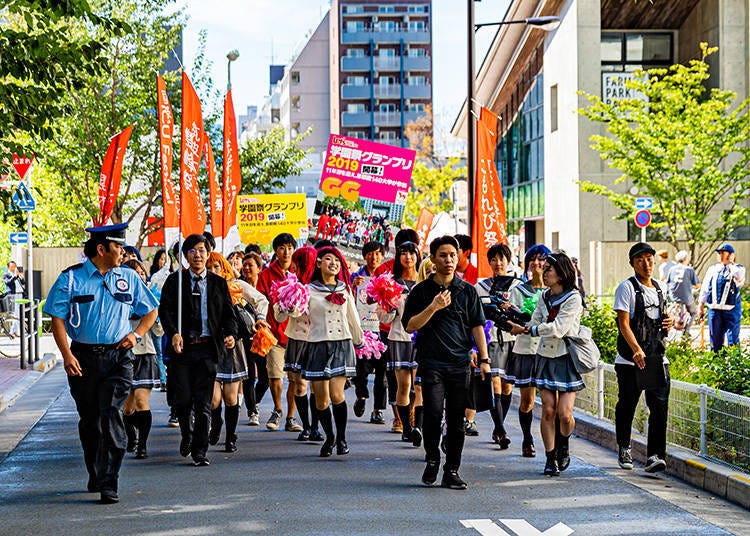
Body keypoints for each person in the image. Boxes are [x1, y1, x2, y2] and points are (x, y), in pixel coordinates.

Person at [43, 223, 159, 503]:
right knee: (90, 420)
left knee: (111, 415)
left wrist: (136, 334)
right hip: (82, 359)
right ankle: (96, 472)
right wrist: (67, 356)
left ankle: (110, 482)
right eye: (118, 246)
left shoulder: (129, 278)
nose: (123, 251)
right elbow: (56, 319)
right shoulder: (70, 279)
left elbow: (151, 310)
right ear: (100, 249)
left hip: (118, 358)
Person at [402, 235, 489, 490]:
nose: (449, 260)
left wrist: (483, 359)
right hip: (431, 364)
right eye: (443, 255)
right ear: (432, 258)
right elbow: (409, 326)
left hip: (460, 364)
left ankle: (452, 469)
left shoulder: (467, 291)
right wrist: (433, 307)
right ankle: (432, 459)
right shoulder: (421, 292)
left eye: (453, 255)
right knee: (431, 414)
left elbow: (477, 327)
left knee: (456, 419)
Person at [159, 234, 238, 467]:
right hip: (182, 350)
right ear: (185, 256)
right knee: (183, 399)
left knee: (204, 403)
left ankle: (200, 450)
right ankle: (187, 434)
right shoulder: (175, 282)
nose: (198, 255)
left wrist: (230, 334)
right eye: (192, 251)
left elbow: (228, 316)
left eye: (202, 250)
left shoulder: (217, 283)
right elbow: (165, 312)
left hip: (207, 349)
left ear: (208, 253)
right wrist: (173, 332)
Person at [509, 252, 584, 476]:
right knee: (549, 410)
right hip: (545, 356)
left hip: (567, 358)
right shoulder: (544, 296)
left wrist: (527, 329)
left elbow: (558, 329)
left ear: (561, 274)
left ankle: (564, 444)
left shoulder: (573, 298)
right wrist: (519, 321)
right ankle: (550, 459)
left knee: (565, 414)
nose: (544, 272)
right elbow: (536, 321)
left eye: (549, 269)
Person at [613, 242, 673, 473]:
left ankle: (655, 455)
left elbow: (662, 320)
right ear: (632, 264)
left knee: (659, 406)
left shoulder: (660, 288)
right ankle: (624, 447)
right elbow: (623, 323)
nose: (646, 264)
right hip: (630, 359)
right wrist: (636, 349)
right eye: (640, 260)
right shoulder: (626, 288)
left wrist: (667, 322)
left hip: (656, 358)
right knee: (627, 405)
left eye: (649, 259)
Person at [300, 246, 364, 457]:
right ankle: (330, 436)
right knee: (321, 400)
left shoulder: (344, 289)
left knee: (337, 395)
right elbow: (295, 313)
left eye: (337, 260)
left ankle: (342, 438)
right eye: (328, 259)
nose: (333, 263)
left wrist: (359, 341)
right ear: (319, 263)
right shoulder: (308, 290)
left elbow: (352, 317)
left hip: (341, 344)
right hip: (317, 345)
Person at [205, 252, 255, 453]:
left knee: (231, 398)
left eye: (217, 267)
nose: (213, 271)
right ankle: (216, 424)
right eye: (209, 268)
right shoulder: (200, 287)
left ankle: (231, 436)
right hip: (210, 347)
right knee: (214, 399)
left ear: (224, 268)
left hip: (232, 347)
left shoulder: (236, 286)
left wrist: (259, 318)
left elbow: (260, 300)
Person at [475, 243, 523, 449]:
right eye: (493, 259)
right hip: (491, 340)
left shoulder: (518, 286)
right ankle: (500, 429)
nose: (498, 263)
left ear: (508, 260)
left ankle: (498, 426)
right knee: (495, 383)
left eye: (502, 259)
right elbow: (475, 317)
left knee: (506, 386)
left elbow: (525, 312)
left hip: (513, 341)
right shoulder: (480, 286)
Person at [275, 246, 323, 442]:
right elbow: (278, 315)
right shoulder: (288, 284)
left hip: (318, 340)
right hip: (297, 339)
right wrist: (287, 306)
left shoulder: (321, 286)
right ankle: (306, 425)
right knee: (300, 385)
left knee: (317, 387)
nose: (292, 265)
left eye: (297, 261)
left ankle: (315, 426)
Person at [374, 228, 420, 433]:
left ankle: (416, 422)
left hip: (421, 340)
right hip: (399, 338)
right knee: (403, 385)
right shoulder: (391, 283)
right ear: (398, 256)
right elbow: (382, 316)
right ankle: (403, 423)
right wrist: (391, 305)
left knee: (419, 386)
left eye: (412, 253)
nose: (408, 257)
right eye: (404, 253)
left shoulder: (425, 282)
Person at [506, 244, 550, 458]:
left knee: (553, 402)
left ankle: (554, 445)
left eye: (542, 259)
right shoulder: (518, 290)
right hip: (526, 349)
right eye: (533, 259)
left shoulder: (556, 292)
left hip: (551, 351)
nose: (537, 263)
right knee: (527, 401)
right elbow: (510, 319)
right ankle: (527, 438)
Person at [256, 233, 303, 432]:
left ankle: (291, 417)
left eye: (290, 248)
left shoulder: (300, 272)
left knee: (294, 378)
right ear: (276, 250)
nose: (287, 252)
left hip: (297, 335)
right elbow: (259, 301)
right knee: (275, 376)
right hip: (274, 333)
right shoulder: (266, 275)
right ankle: (277, 409)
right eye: (282, 248)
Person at [121, 259, 164, 460]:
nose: (139, 275)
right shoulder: (118, 296)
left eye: (142, 272)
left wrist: (155, 315)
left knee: (141, 400)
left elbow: (159, 331)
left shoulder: (150, 298)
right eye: (134, 272)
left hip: (145, 354)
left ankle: (143, 445)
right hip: (123, 355)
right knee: (127, 407)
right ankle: (131, 435)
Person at [350, 241, 388, 425]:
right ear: (365, 256)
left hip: (382, 331)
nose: (374, 257)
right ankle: (362, 397)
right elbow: (347, 301)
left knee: (382, 373)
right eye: (371, 254)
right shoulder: (356, 277)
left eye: (378, 254)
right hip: (362, 330)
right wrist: (353, 287)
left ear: (383, 256)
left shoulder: (388, 278)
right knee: (362, 370)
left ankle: (378, 410)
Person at [240, 251, 270, 425]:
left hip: (263, 337)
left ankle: (254, 401)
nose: (246, 268)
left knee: (265, 378)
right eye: (244, 265)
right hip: (245, 337)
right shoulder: (238, 286)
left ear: (259, 268)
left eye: (250, 265)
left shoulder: (263, 288)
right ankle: (253, 411)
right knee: (249, 375)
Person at [699, 243, 745, 352]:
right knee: (715, 341)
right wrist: (700, 305)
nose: (720, 255)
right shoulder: (713, 269)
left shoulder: (738, 268)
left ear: (730, 254)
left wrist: (730, 263)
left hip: (731, 310)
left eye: (722, 253)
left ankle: (734, 366)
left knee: (733, 341)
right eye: (719, 253)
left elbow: (739, 277)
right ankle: (716, 364)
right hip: (714, 310)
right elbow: (705, 287)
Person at [666, 250, 700, 334]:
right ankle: (687, 331)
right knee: (694, 312)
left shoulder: (672, 269)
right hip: (685, 296)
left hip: (673, 295)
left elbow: (668, 281)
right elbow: (697, 285)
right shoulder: (689, 269)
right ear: (685, 259)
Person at [3, 261, 25, 335]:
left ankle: (13, 330)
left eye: (15, 266)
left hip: (20, 294)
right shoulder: (6, 275)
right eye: (12, 266)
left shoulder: (17, 274)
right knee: (16, 313)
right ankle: (16, 331)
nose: (14, 268)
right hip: (13, 295)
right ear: (8, 267)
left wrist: (21, 277)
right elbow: (8, 282)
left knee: (20, 313)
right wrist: (15, 276)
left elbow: (23, 283)